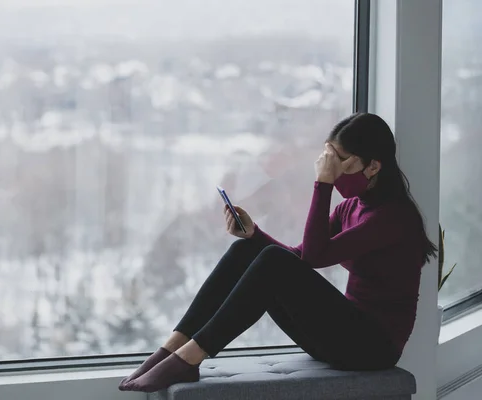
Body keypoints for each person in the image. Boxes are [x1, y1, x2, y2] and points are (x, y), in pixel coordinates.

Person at [118, 112, 437, 393]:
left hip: (372, 348)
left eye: (340, 161)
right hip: (340, 338)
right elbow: (299, 258)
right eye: (329, 160)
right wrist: (255, 234)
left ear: (372, 166)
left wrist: (322, 184)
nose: (332, 169)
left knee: (271, 259)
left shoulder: (394, 218)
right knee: (247, 248)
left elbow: (311, 258)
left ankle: (191, 357)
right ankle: (173, 346)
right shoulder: (352, 207)